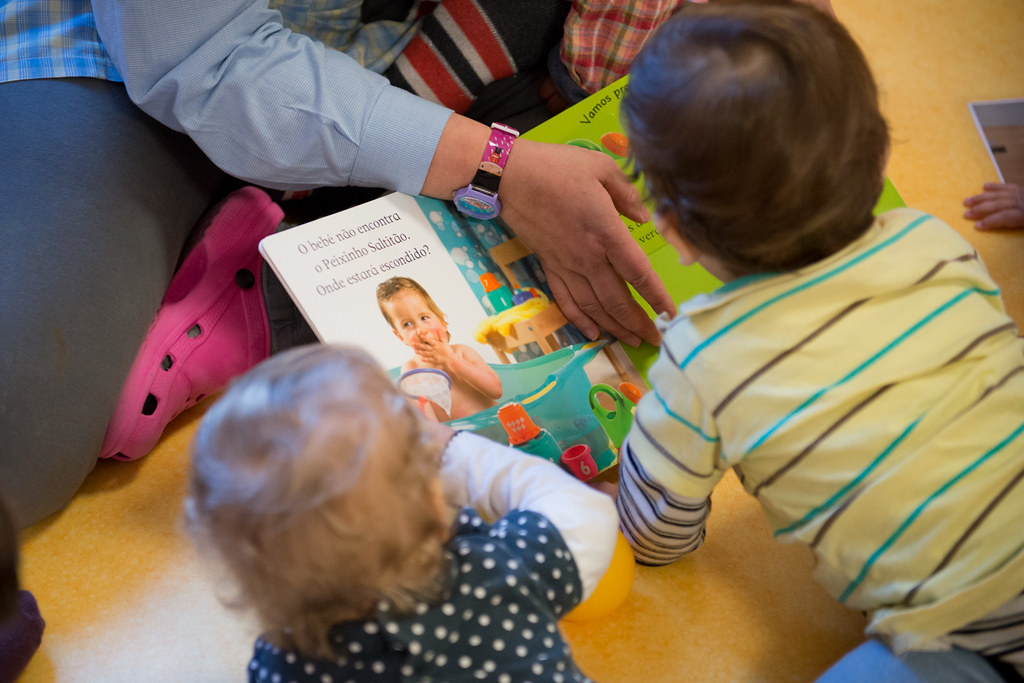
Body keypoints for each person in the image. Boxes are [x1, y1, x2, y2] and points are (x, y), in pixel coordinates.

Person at [0, 0, 676, 529]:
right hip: (145, 60)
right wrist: (498, 167)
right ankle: (256, 294)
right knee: (21, 441)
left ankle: (266, 281)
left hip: (384, 39)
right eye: (411, 321)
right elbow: (205, 60)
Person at [614, 2, 1024, 681]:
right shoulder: (935, 239)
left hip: (965, 642)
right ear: (884, 153)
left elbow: (653, 535)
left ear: (672, 231)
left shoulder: (701, 358)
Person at [185, 343, 619, 681]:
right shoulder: (497, 572)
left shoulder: (285, 666)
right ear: (435, 502)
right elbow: (585, 513)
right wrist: (454, 450)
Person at [377, 276, 503, 420]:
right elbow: (427, 423)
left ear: (443, 322)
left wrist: (451, 359)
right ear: (400, 336)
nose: (420, 329)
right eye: (407, 324)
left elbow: (496, 390)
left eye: (424, 318)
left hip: (500, 428)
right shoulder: (412, 370)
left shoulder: (462, 352)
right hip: (460, 440)